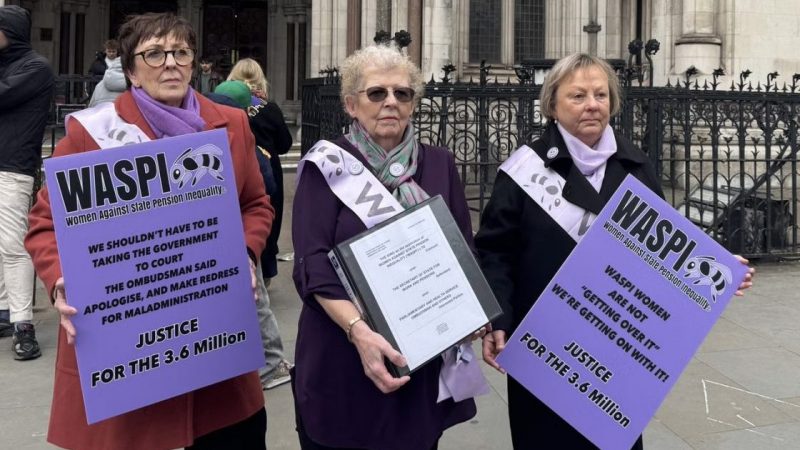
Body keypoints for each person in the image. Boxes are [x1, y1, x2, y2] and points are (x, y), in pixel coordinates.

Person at [475, 53, 755, 449]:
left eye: (600, 94)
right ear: (552, 104)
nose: (592, 104)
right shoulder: (526, 169)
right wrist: (500, 316)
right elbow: (494, 252)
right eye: (578, 95)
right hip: (545, 343)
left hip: (615, 345)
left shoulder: (635, 165)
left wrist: (717, 268)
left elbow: (660, 247)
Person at [24, 13, 273, 449]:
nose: (170, 63)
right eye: (154, 54)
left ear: (194, 62)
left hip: (212, 346)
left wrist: (247, 253)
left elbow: (255, 204)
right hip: (127, 360)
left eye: (180, 52)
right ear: (132, 69)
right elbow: (44, 224)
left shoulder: (232, 126)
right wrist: (61, 279)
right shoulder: (91, 135)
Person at [291, 44, 481, 450]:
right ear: (351, 104)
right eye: (377, 93)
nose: (390, 102)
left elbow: (463, 248)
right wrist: (359, 331)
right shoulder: (327, 166)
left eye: (402, 93)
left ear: (414, 103)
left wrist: (473, 308)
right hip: (342, 354)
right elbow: (312, 263)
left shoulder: (440, 163)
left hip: (419, 362)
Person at [213, 79, 293, 390]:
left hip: (223, 229)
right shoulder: (238, 125)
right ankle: (269, 366)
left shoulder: (208, 120)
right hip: (235, 227)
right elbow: (265, 187)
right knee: (254, 296)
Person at [0, 4, 54, 360]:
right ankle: (5, 310)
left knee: (12, 244)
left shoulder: (36, 67)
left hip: (12, 166)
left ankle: (23, 325)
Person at [226, 58, 293, 284]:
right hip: (267, 172)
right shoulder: (268, 108)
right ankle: (264, 272)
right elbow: (284, 144)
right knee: (266, 217)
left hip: (233, 168)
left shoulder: (222, 108)